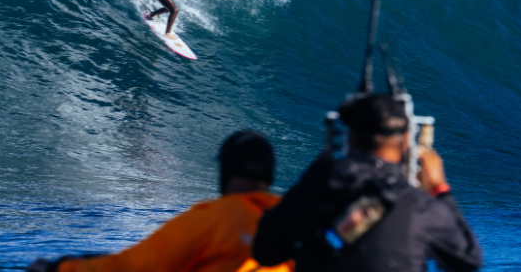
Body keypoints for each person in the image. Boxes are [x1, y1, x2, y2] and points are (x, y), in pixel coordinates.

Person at [251, 94, 482, 272]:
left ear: (350, 138)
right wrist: (439, 188)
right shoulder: (419, 207)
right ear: (405, 144)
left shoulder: (317, 189)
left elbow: (265, 252)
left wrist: (316, 172)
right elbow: (468, 260)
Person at [27, 131, 291, 272]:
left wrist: (60, 269)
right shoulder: (295, 225)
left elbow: (136, 267)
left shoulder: (217, 219)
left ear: (226, 169)